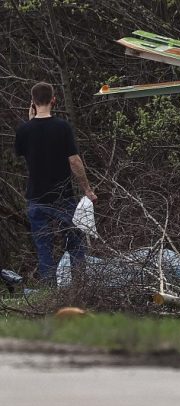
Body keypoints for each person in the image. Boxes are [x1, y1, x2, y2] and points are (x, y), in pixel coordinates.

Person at [14, 82, 97, 282]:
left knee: (44, 247)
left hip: (36, 197)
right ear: (53, 100)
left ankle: (50, 292)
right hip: (63, 196)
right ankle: (80, 286)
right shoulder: (62, 127)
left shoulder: (23, 131)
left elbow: (23, 154)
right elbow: (74, 161)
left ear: (32, 102)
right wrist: (87, 189)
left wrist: (30, 122)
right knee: (75, 242)